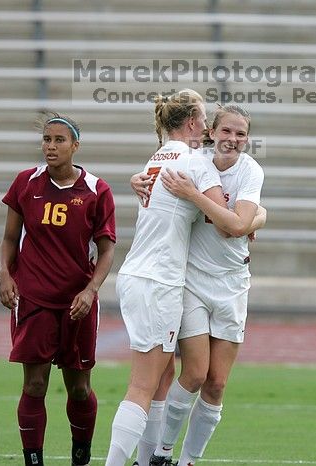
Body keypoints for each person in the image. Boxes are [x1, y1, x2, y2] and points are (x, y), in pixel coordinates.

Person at [104, 91, 263, 466]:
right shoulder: (197, 162)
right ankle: (141, 458)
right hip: (164, 280)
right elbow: (232, 225)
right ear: (197, 123)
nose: (222, 135)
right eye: (212, 123)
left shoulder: (159, 157)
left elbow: (233, 221)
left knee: (164, 377)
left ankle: (154, 461)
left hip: (143, 275)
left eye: (241, 134)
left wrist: (255, 217)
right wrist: (253, 219)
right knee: (146, 383)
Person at [0, 112, 117, 466]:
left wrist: (91, 290)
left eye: (59, 140)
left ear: (75, 146)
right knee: (34, 385)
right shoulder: (25, 183)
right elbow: (8, 238)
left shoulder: (97, 190)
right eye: (47, 139)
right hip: (33, 298)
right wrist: (4, 273)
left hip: (77, 303)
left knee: (79, 388)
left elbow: (108, 249)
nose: (51, 146)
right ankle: (33, 460)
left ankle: (81, 453)